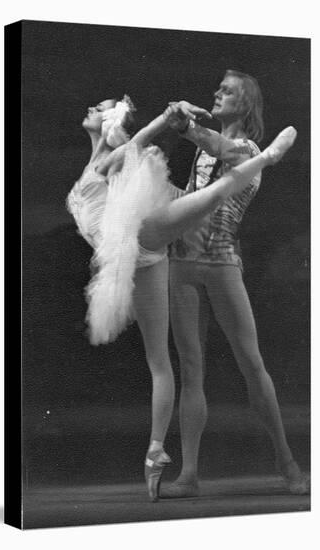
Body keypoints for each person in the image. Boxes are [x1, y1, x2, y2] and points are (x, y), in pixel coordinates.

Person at [66, 93, 297, 501]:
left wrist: (171, 117)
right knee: (163, 361)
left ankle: (268, 158)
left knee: (210, 197)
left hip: (148, 236)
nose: (92, 110)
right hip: (137, 259)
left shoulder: (116, 156)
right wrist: (166, 117)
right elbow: (108, 167)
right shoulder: (101, 161)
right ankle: (160, 456)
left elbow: (128, 152)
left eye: (99, 108)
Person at [160, 70, 308, 498]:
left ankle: (287, 462)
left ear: (245, 104)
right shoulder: (204, 151)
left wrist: (186, 125)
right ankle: (188, 475)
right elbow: (192, 196)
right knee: (191, 369)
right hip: (183, 263)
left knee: (251, 363)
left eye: (226, 91)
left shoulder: (247, 149)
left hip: (222, 264)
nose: (216, 94)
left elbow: (220, 147)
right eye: (217, 89)